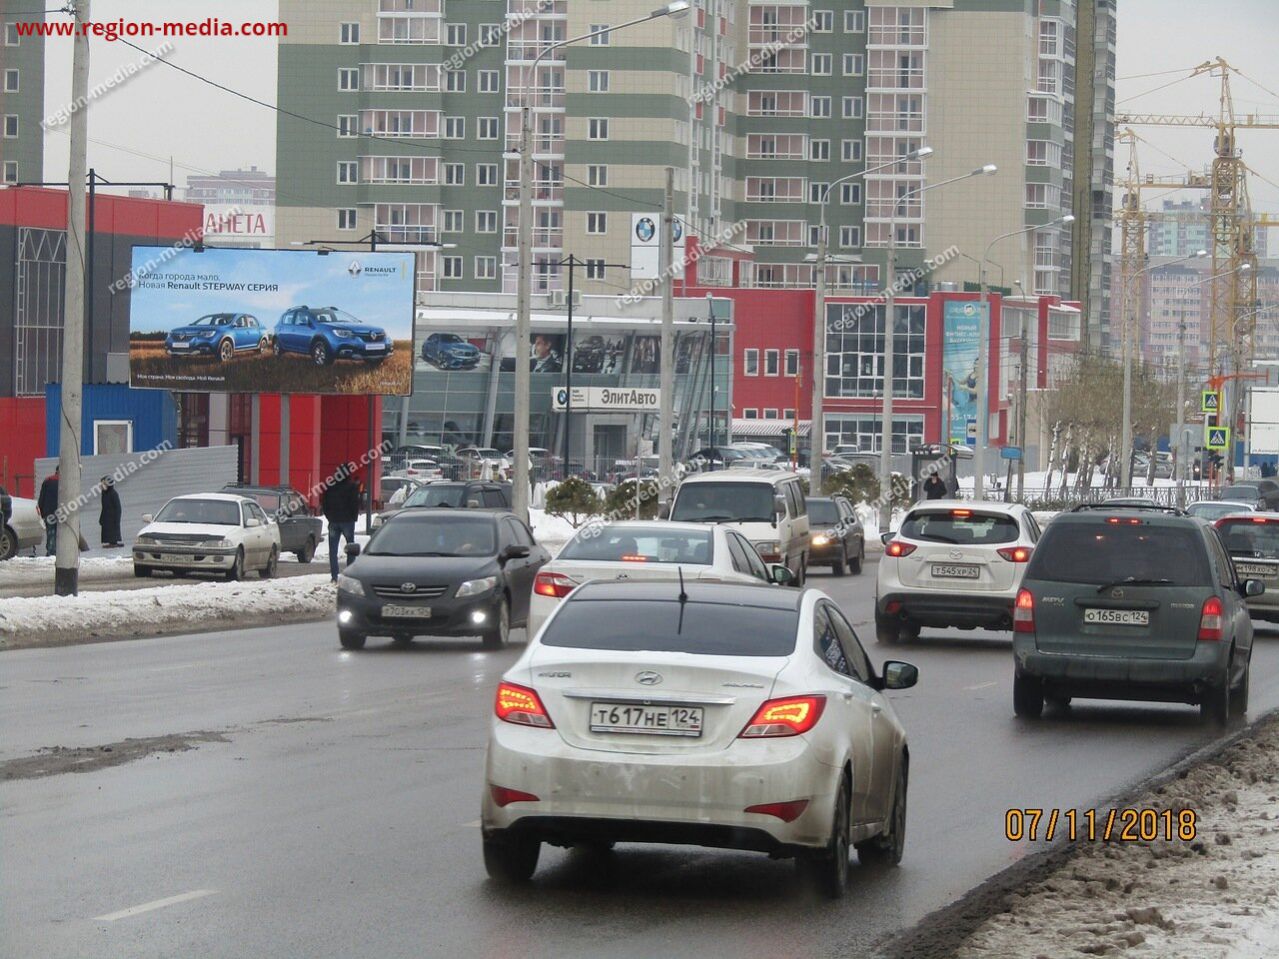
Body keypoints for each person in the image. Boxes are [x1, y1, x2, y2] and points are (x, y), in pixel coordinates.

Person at [322, 465, 361, 581]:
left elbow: (325, 503)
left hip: (333, 521)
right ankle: (349, 574)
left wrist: (329, 517)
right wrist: (353, 517)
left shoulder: (330, 486)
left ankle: (334, 576)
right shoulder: (352, 487)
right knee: (351, 548)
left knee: (333, 550)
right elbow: (355, 503)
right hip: (347, 521)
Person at [37, 466, 59, 556]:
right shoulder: (66, 482)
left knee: (51, 533)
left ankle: (51, 551)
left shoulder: (48, 481)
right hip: (63, 512)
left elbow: (42, 498)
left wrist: (41, 512)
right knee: (61, 533)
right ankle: (58, 551)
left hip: (48, 512)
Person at [99, 476, 123, 548]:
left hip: (112, 518)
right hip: (106, 517)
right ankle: (109, 542)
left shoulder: (113, 494)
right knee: (106, 529)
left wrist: (117, 519)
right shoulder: (104, 493)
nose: (101, 485)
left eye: (103, 484)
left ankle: (113, 542)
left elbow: (118, 508)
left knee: (112, 530)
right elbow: (104, 507)